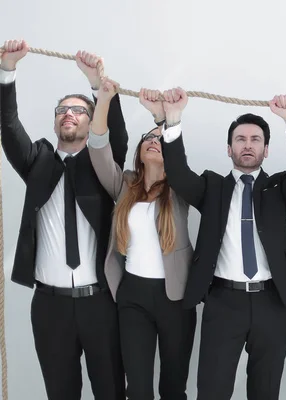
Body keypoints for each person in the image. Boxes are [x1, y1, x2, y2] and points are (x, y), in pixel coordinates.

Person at [159, 90, 286, 400]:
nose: (247, 144)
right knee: (213, 391)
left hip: (273, 301)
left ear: (266, 149)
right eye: (241, 139)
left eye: (255, 139)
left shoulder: (279, 188)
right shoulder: (211, 187)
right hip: (223, 302)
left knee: (265, 391)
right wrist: (173, 119)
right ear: (229, 149)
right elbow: (177, 174)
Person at [0, 39, 126, 399]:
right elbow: (9, 126)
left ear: (91, 120)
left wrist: (96, 86)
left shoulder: (101, 165)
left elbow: (115, 137)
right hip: (50, 306)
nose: (68, 114)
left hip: (100, 302)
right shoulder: (37, 159)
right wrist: (7, 71)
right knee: (61, 393)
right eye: (62, 110)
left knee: (112, 391)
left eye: (78, 110)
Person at [88, 80, 196, 400]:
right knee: (136, 388)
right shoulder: (125, 185)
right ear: (139, 151)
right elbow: (98, 149)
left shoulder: (180, 188)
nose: (153, 142)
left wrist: (160, 120)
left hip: (174, 298)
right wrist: (104, 100)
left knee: (173, 388)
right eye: (148, 139)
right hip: (132, 296)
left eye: (159, 140)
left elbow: (174, 151)